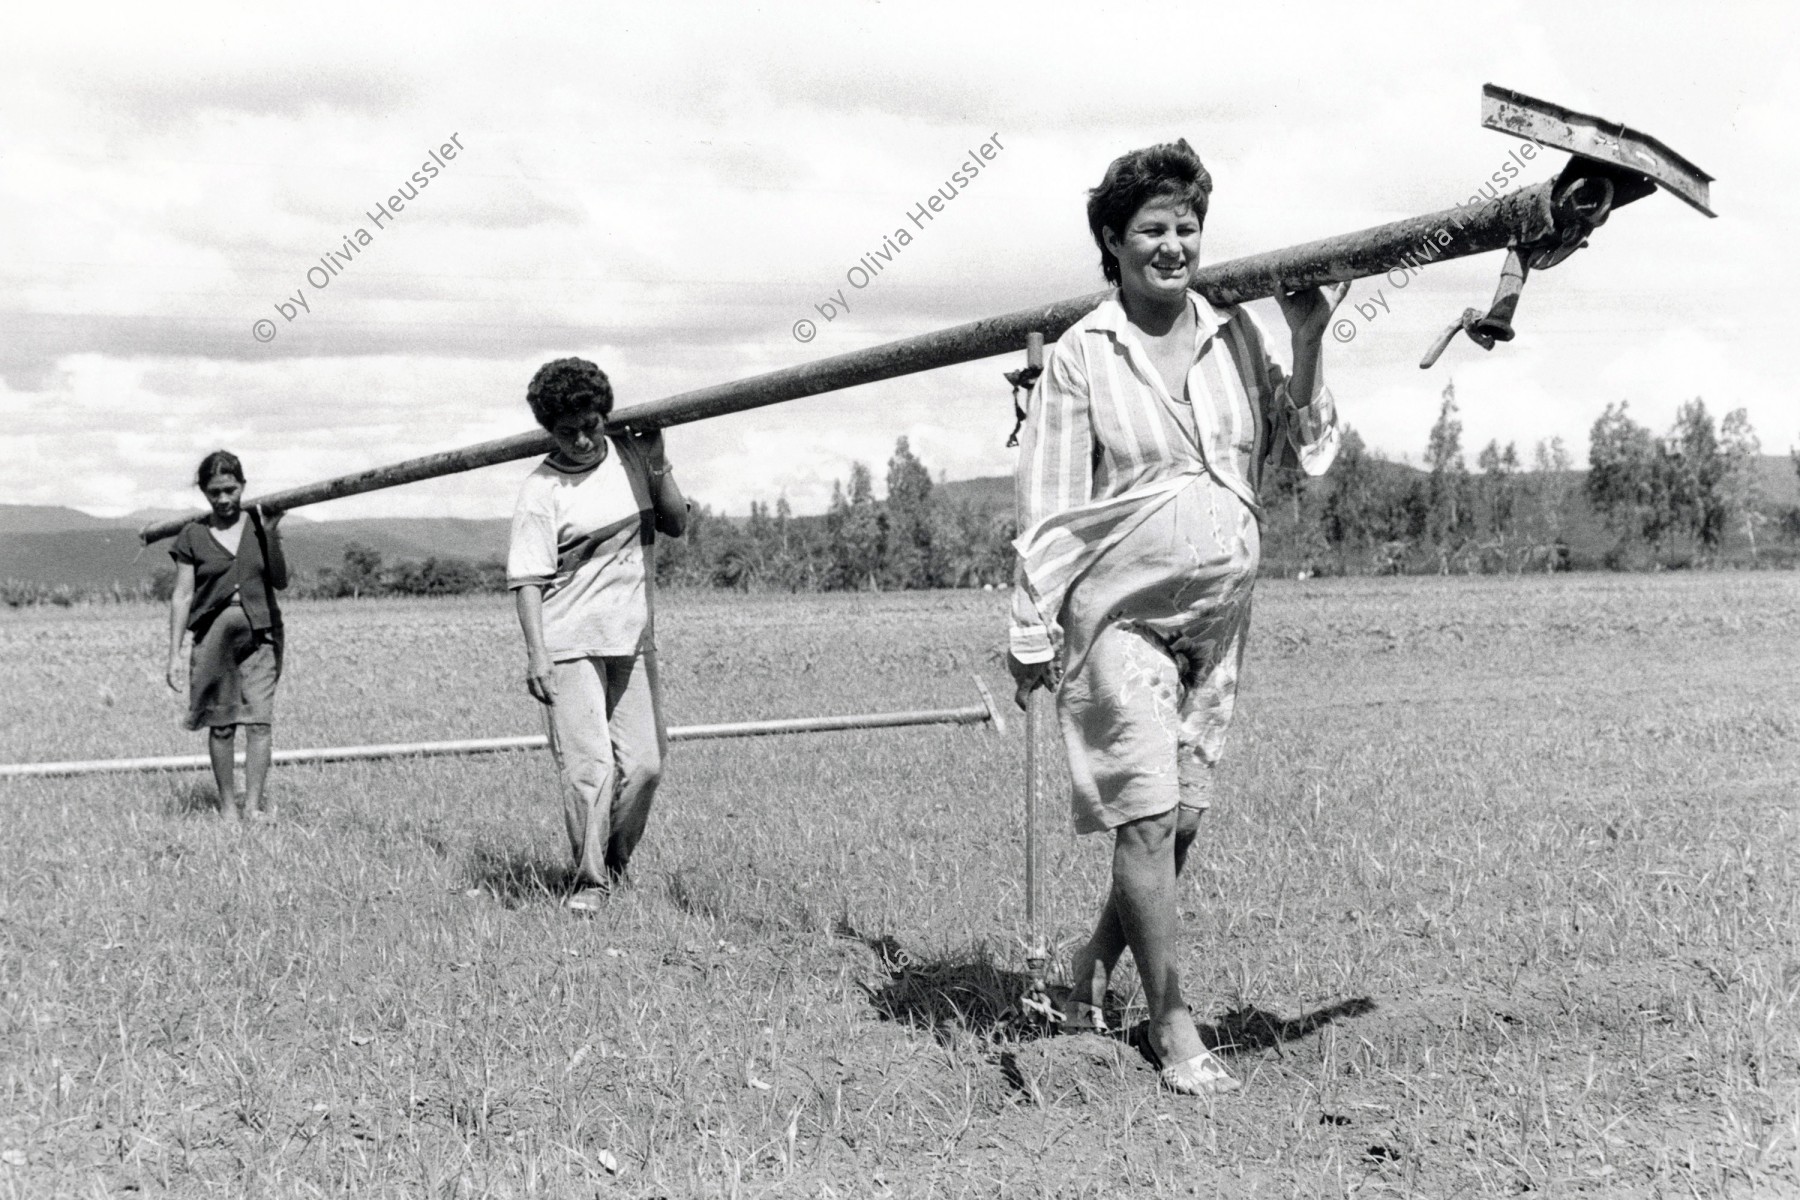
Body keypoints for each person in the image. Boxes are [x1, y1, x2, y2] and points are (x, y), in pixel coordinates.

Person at [1007, 140, 1348, 1095]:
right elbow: (1048, 505)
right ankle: (1172, 1025)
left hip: (1220, 610)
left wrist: (1308, 336)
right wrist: (1032, 625)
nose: (1173, 245)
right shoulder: (1085, 354)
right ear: (1112, 242)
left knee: (1180, 819)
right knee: (1147, 822)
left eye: (1186, 227)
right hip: (1121, 612)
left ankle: (1087, 971)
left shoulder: (1234, 334)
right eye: (1150, 229)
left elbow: (1304, 447)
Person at [508, 357, 689, 914]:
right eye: (567, 433)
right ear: (548, 431)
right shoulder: (541, 489)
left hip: (631, 635)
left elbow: (677, 523)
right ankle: (590, 881)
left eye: (591, 426)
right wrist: (537, 654)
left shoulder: (633, 456)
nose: (583, 440)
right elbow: (528, 581)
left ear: (603, 416)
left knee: (646, 765)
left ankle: (614, 862)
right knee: (590, 767)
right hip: (567, 642)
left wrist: (657, 461)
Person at [165, 450, 289, 819]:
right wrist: (173, 654)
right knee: (221, 725)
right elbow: (182, 595)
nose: (223, 499)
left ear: (243, 486)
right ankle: (228, 810)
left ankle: (253, 808)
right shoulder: (193, 535)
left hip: (261, 631)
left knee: (259, 721)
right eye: (214, 492)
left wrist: (270, 534)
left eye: (230, 490)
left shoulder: (259, 524)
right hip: (213, 637)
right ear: (203, 491)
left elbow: (280, 580)